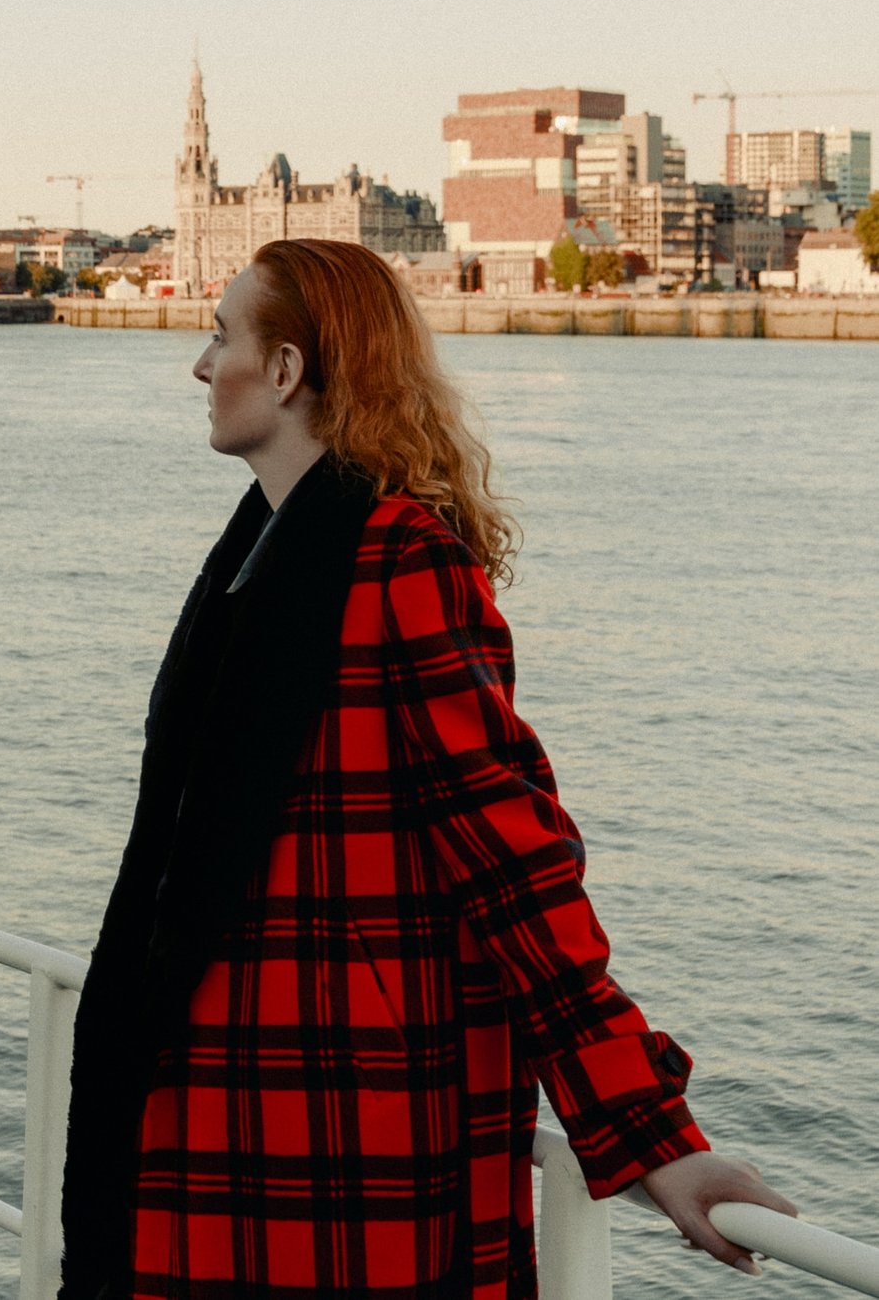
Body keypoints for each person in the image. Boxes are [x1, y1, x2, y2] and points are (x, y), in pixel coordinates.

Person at [60, 239, 793, 1299]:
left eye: (221, 334)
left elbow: (514, 864)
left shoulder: (402, 562)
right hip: (229, 1100)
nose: (197, 363)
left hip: (341, 1129)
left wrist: (651, 1134)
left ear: (284, 371)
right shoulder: (255, 559)